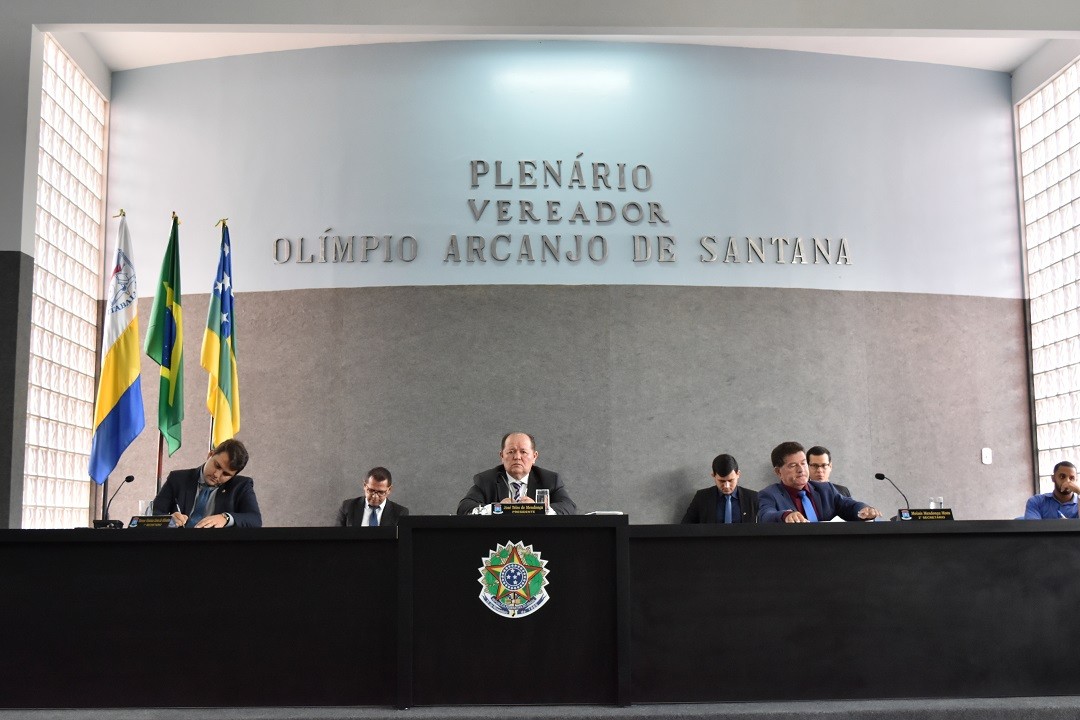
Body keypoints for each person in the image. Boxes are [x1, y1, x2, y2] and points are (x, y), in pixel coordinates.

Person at [758, 441, 881, 523]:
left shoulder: (825, 489)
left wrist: (864, 509)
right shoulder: (770, 494)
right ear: (778, 472)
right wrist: (785, 515)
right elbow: (765, 515)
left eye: (803, 463)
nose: (801, 470)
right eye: (793, 465)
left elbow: (849, 505)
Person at [456, 432, 577, 515]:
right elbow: (464, 508)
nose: (517, 457)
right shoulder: (486, 480)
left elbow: (569, 507)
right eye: (511, 451)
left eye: (523, 452)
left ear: (534, 457)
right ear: (502, 456)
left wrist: (539, 509)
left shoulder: (550, 480)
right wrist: (496, 508)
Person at [152, 438, 262, 528]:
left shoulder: (241, 486)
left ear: (233, 476)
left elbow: (255, 519)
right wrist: (169, 520)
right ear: (210, 455)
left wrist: (226, 518)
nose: (216, 475)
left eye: (226, 474)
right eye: (217, 466)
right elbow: (154, 513)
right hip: (176, 547)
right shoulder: (178, 478)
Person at [681, 453, 759, 523]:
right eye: (721, 481)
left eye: (730, 480)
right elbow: (686, 528)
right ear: (713, 476)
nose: (726, 486)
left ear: (738, 474)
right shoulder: (702, 497)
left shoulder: (752, 497)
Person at [336, 466, 409, 527]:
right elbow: (337, 538)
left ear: (389, 490)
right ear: (364, 486)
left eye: (381, 492)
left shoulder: (400, 513)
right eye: (371, 490)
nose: (375, 496)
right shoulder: (348, 507)